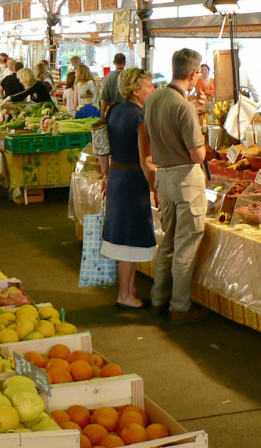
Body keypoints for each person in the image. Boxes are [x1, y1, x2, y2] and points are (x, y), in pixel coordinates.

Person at [145, 49, 209, 324]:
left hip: (163, 178)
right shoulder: (184, 106)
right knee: (185, 247)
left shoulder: (153, 99)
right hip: (186, 180)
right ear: (194, 74)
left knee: (167, 242)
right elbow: (198, 155)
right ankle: (179, 308)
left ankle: (158, 299)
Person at [99, 68, 158, 309]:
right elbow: (146, 161)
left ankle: (130, 289)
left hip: (116, 177)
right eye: (149, 86)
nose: (152, 90)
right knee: (130, 239)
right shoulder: (139, 117)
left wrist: (106, 174)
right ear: (136, 90)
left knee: (125, 235)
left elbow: (101, 146)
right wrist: (156, 188)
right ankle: (124, 294)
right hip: (133, 180)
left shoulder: (112, 111)